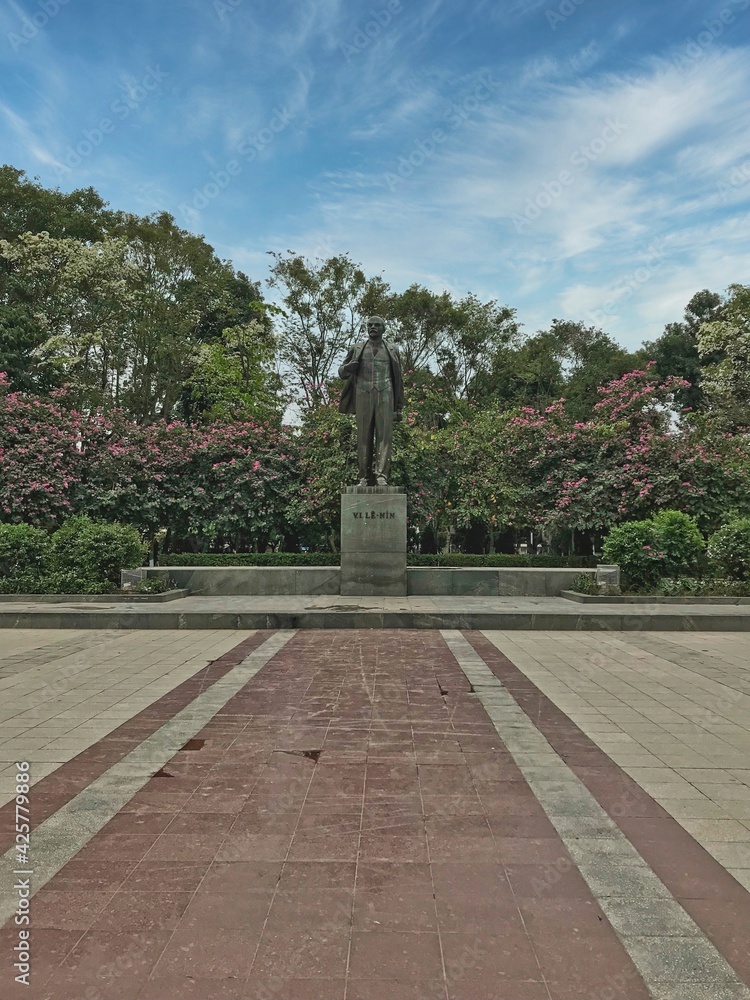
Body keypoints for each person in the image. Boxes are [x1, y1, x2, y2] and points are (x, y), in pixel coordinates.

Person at [338, 316, 404, 486]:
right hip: (363, 394)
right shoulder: (357, 348)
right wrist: (348, 368)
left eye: (377, 325)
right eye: (370, 325)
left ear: (383, 329)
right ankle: (364, 477)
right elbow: (342, 372)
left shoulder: (392, 349)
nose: (373, 327)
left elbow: (398, 379)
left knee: (384, 437)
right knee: (363, 437)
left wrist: (398, 407)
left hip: (386, 393)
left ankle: (382, 476)